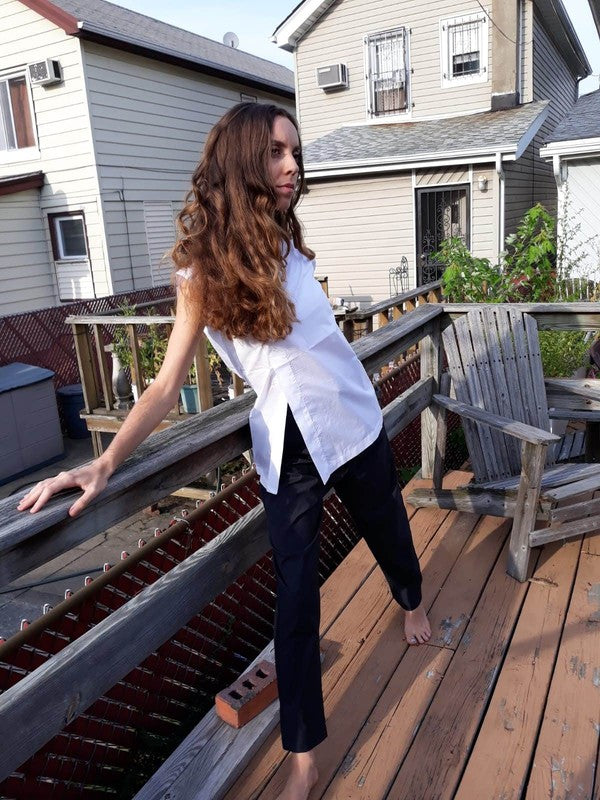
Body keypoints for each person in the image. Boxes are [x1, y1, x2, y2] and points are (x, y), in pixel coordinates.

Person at [17, 103, 430, 800]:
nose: (292, 165)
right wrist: (105, 460)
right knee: (295, 600)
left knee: (386, 520)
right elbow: (164, 384)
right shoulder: (200, 277)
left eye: (294, 152)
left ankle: (412, 600)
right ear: (242, 161)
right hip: (287, 448)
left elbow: (321, 351)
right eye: (276, 152)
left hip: (350, 420)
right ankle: (304, 755)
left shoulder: (292, 246)